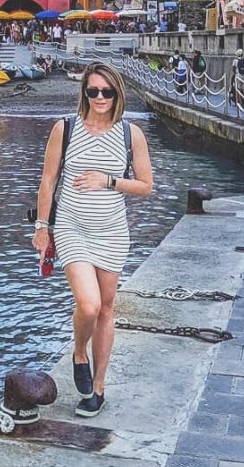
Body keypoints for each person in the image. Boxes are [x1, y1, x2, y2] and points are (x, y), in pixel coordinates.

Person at [32, 63, 154, 417]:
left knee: (106, 309)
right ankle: (79, 352)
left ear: (118, 94)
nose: (100, 98)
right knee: (89, 305)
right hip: (72, 228)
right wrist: (42, 226)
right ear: (83, 93)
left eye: (107, 92)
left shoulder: (131, 134)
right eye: (93, 91)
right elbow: (48, 180)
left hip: (113, 232)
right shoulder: (65, 128)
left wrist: (108, 180)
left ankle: (98, 388)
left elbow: (145, 186)